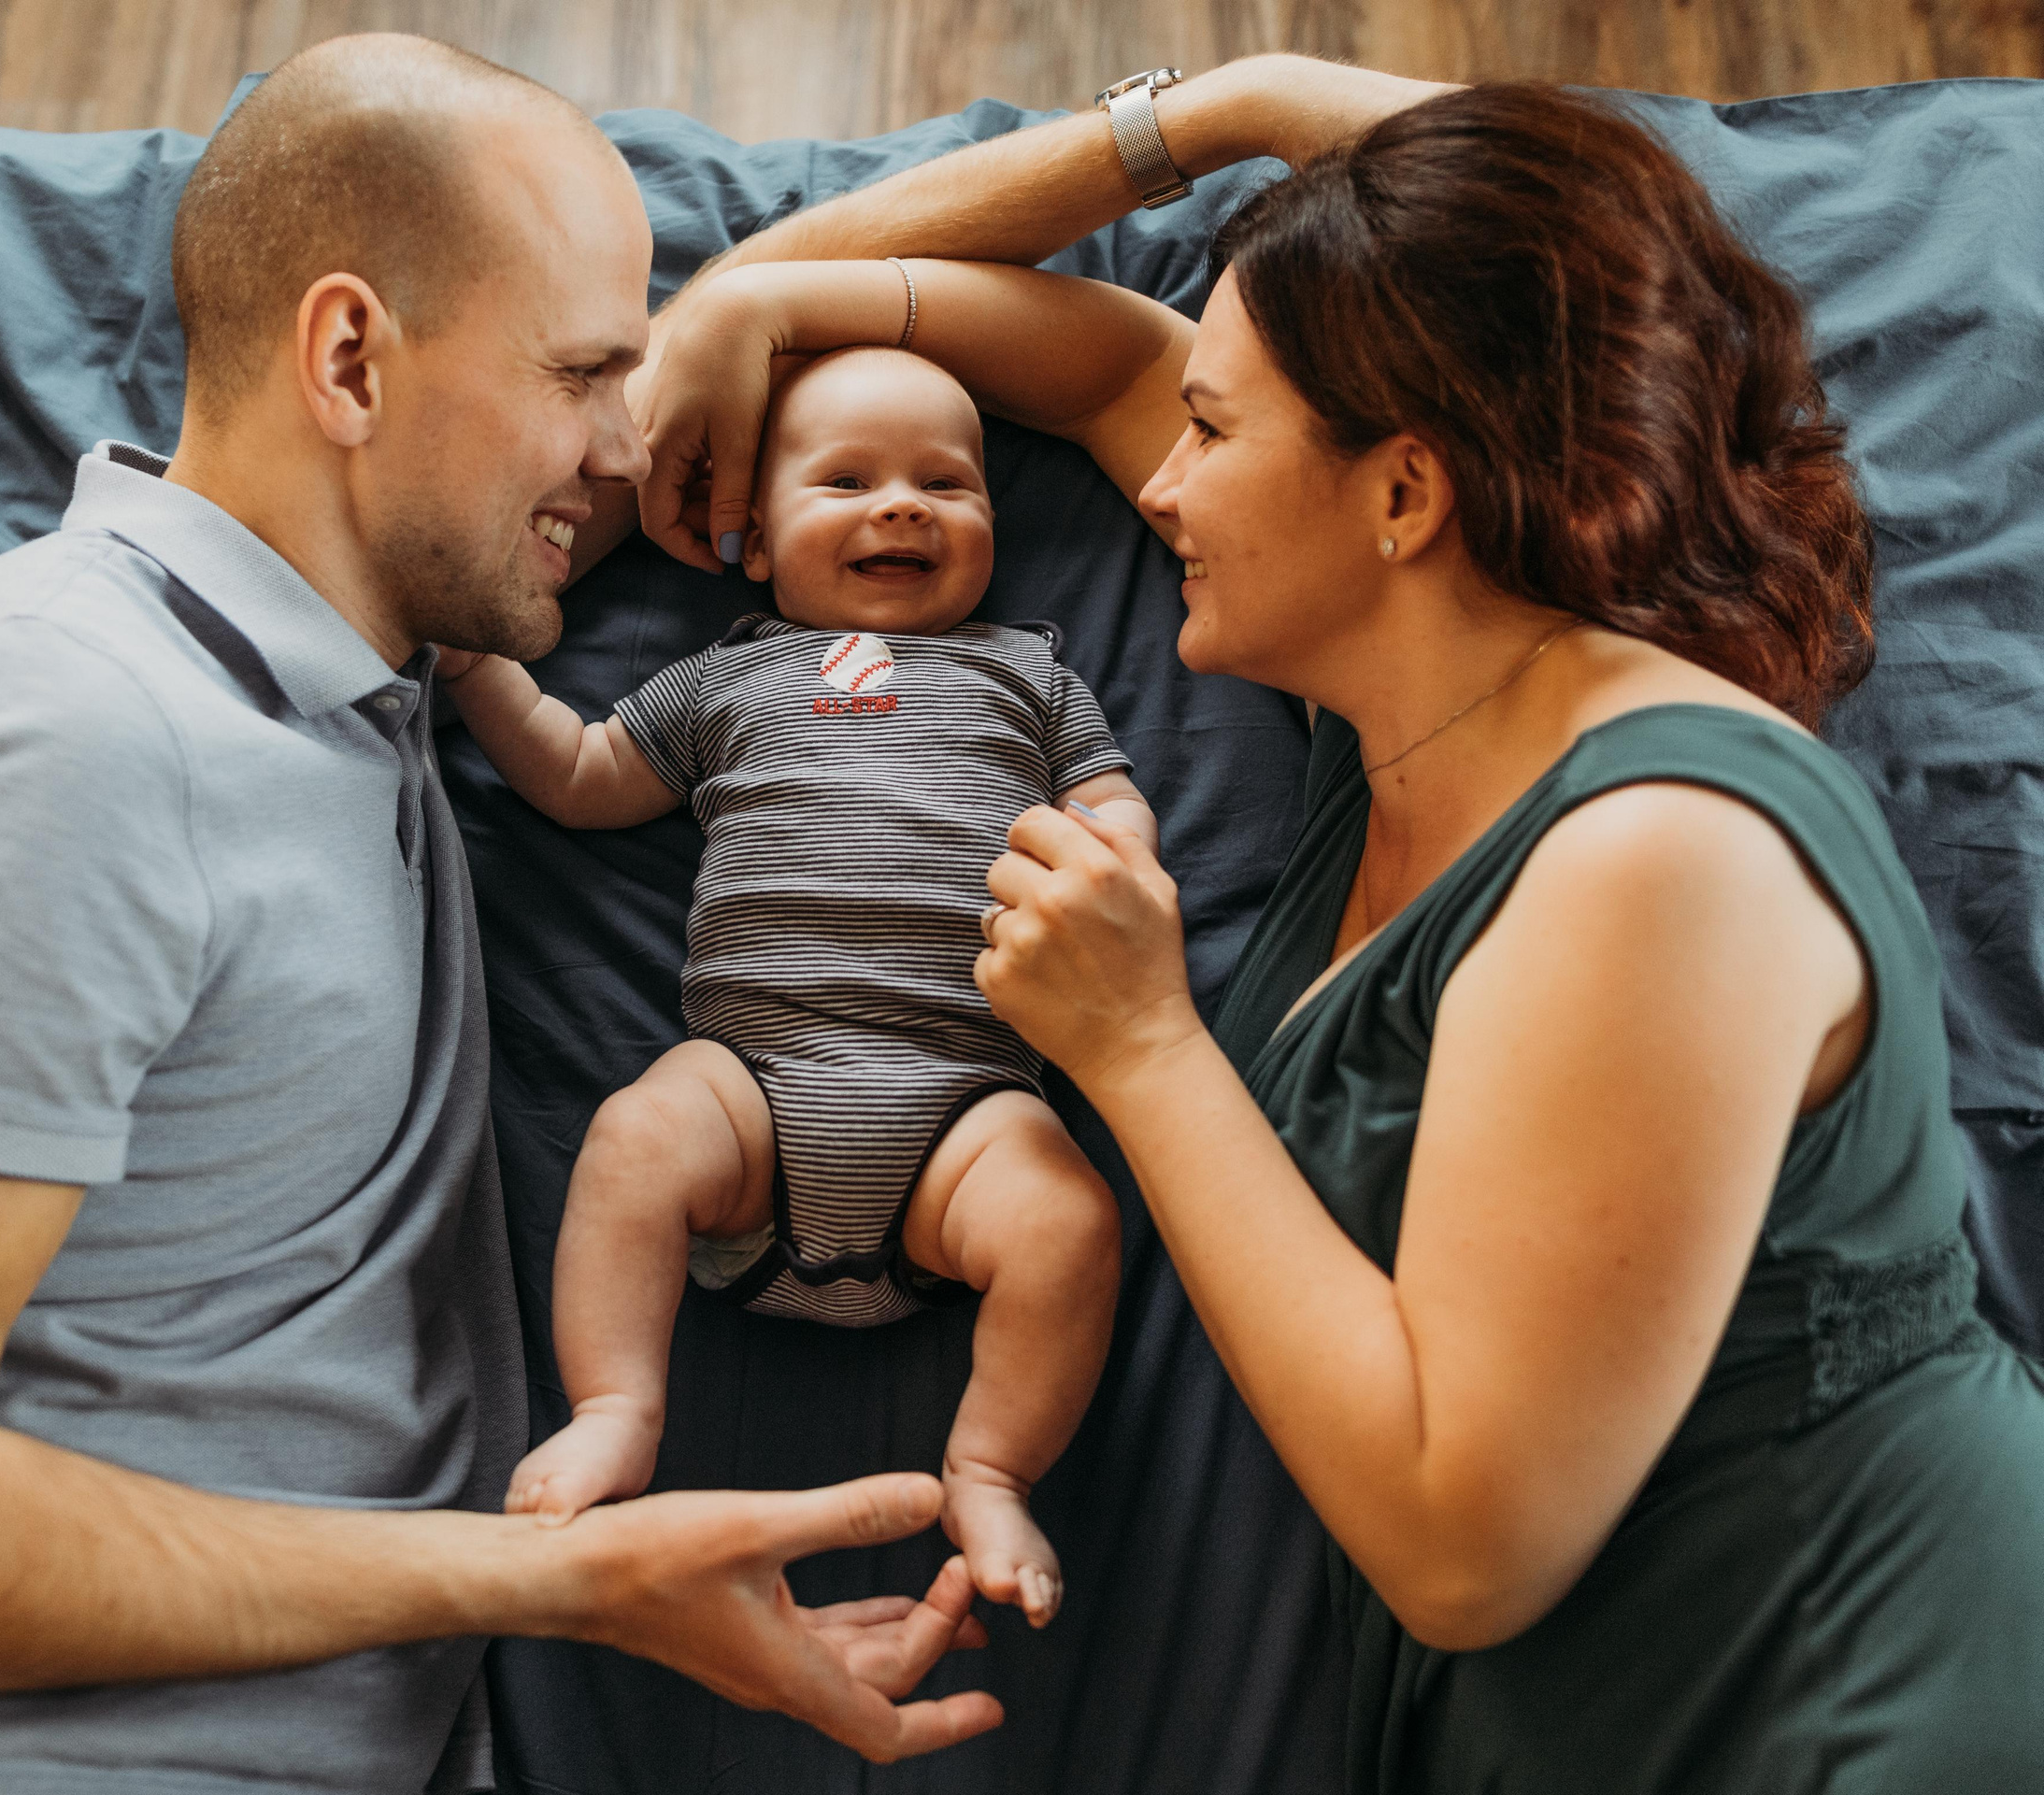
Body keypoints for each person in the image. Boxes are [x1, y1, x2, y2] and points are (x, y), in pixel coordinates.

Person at [632, 75, 2044, 1794]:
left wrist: (1140, 1045)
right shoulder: (1402, 704)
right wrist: (757, 297)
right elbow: (1076, 359)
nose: (1159, 484)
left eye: (1213, 434)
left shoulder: (1662, 858)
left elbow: (1463, 1544)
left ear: (1404, 497)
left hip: (1868, 1708)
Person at [0, 37, 1009, 1795]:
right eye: (586, 373)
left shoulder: (374, 641)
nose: (630, 447)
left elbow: (756, 312)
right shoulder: (53, 727)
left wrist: (1193, 125)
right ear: (352, 358)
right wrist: (566, 1580)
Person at [446, 344, 1154, 1629]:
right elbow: (581, 770)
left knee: (1068, 1222)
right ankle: (617, 1409)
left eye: (948, 482)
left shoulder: (1031, 677)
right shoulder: (730, 677)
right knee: (635, 1136)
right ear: (757, 542)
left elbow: (1111, 805)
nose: (901, 505)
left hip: (964, 1102)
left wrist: (1120, 856)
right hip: (753, 1091)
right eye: (848, 480)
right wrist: (478, 667)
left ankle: (989, 1466)